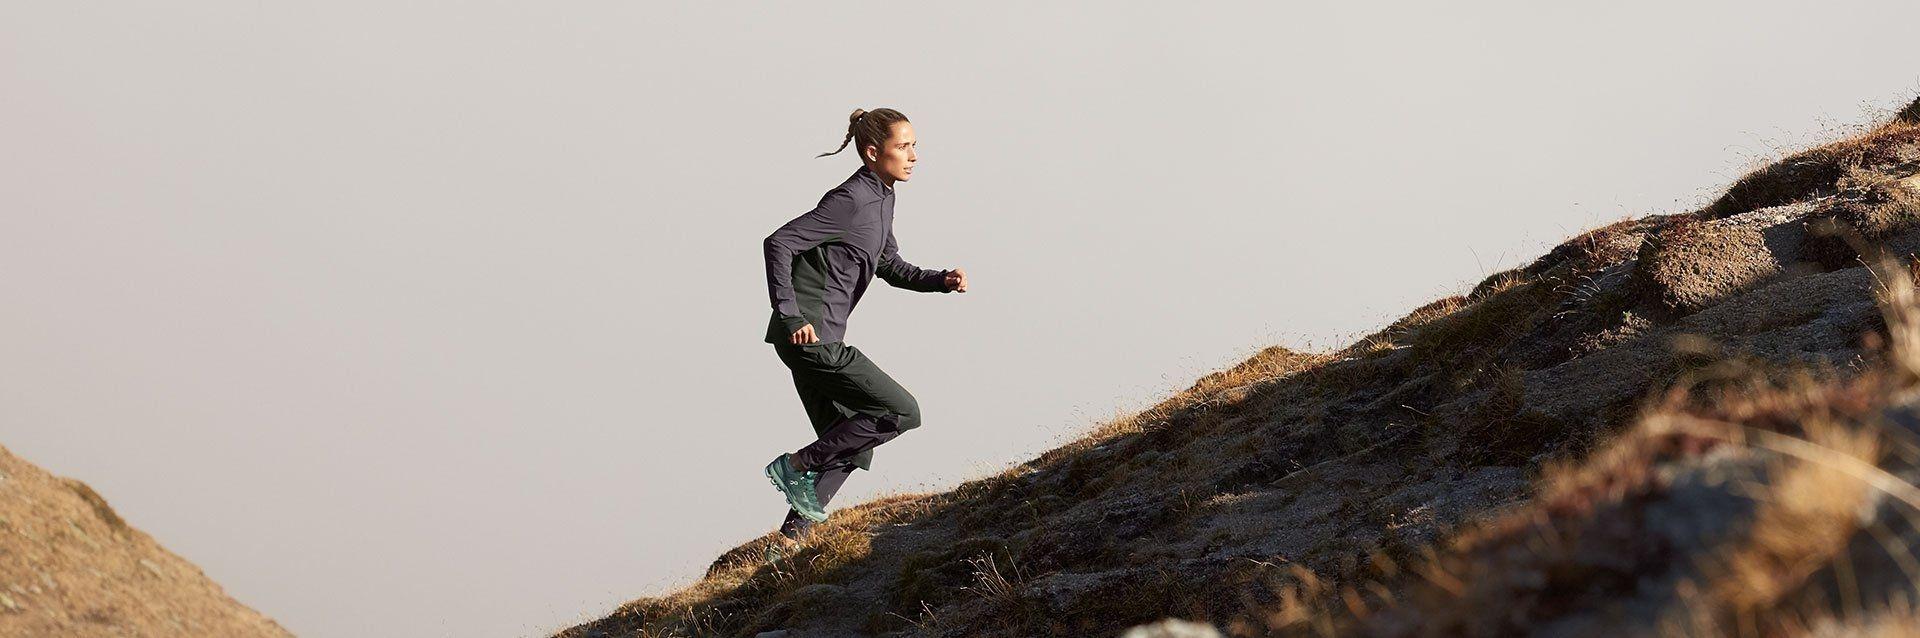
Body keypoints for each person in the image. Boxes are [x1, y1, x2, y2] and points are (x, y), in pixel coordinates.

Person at [760, 108, 968, 553]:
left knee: (853, 443)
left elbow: (889, 265)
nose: (914, 156)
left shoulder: (884, 197)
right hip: (809, 338)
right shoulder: (851, 199)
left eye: (915, 146)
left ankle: (785, 546)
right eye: (904, 147)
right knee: (903, 411)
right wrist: (791, 315)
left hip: (816, 339)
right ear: (873, 152)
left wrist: (939, 279)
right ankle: (796, 465)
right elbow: (779, 242)